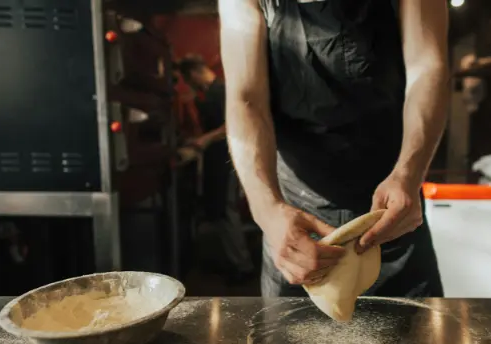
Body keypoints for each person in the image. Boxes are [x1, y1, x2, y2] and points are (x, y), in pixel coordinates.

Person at [219, 0, 448, 297]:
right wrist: (267, 211)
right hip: (294, 222)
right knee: (286, 342)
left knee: (415, 339)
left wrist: (409, 173)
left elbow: (428, 68)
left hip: (393, 213)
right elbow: (246, 98)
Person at [177, 56, 255, 283]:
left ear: (193, 73)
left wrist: (204, 140)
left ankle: (243, 267)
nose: (190, 86)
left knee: (225, 210)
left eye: (187, 80)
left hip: (225, 159)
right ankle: (237, 262)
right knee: (221, 210)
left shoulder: (220, 91)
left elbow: (232, 125)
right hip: (219, 159)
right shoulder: (212, 92)